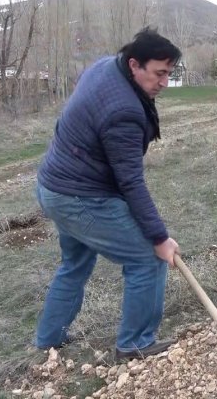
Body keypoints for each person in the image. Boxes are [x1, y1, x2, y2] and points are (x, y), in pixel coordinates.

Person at [34, 27, 181, 360]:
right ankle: (135, 344)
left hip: (53, 184)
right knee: (147, 258)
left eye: (169, 74)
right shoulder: (124, 112)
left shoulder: (105, 66)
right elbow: (130, 182)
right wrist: (158, 238)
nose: (164, 83)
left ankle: (48, 341)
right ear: (134, 65)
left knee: (75, 262)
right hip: (77, 196)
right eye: (159, 73)